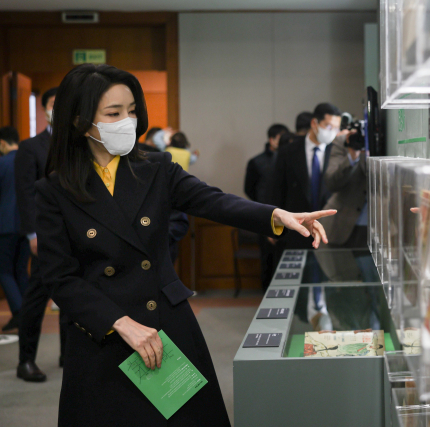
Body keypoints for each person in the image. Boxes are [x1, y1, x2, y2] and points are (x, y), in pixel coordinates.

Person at [35, 63, 335, 426]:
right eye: (114, 113)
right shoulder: (54, 191)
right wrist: (119, 322)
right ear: (80, 122)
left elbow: (214, 201)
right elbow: (59, 277)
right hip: (103, 335)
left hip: (166, 326)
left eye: (131, 110)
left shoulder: (156, 168)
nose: (127, 121)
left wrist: (276, 215)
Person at [14, 86, 67, 381]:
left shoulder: (78, 144)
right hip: (45, 236)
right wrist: (32, 234)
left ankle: (67, 356)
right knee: (38, 299)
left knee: (72, 299)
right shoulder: (30, 147)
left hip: (76, 235)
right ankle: (25, 361)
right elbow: (25, 194)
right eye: (53, 104)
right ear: (45, 109)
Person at [270, 102, 341, 251]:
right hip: (295, 229)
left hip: (330, 230)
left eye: (336, 128)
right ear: (314, 123)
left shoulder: (338, 152)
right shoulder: (288, 151)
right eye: (329, 126)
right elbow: (276, 190)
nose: (333, 132)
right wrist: (272, 225)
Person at [244, 123, 290, 290]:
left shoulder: (289, 160)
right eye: (280, 138)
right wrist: (262, 207)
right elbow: (249, 189)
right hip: (266, 215)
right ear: (272, 140)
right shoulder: (257, 162)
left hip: (289, 215)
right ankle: (267, 295)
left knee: (287, 258)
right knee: (268, 258)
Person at [0, 127, 30, 332]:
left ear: (2, 143)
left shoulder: (2, 163)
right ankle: (28, 313)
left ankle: (19, 312)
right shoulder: (29, 160)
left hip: (5, 225)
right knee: (21, 270)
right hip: (27, 225)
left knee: (4, 271)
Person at [317, 131, 368, 248]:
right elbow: (331, 183)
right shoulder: (345, 141)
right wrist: (352, 157)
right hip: (341, 224)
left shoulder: (388, 138)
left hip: (381, 226)